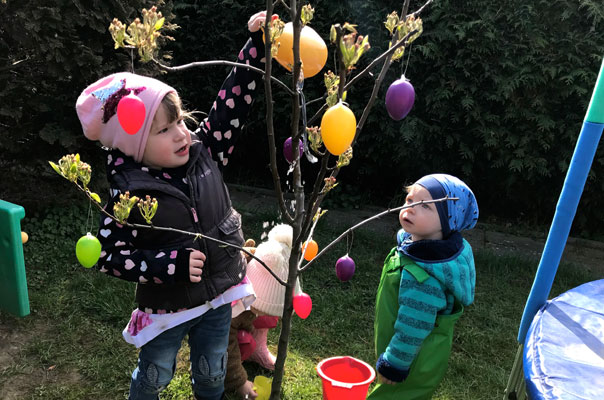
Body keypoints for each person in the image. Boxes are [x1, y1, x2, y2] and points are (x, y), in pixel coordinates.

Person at [75, 11, 270, 400]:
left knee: (212, 372)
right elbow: (109, 256)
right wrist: (167, 266)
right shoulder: (128, 193)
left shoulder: (203, 151)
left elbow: (231, 105)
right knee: (155, 374)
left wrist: (257, 47)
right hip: (168, 310)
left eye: (179, 120)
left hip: (218, 297)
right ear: (135, 147)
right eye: (163, 130)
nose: (182, 133)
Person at [367, 173, 479, 400]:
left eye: (425, 205)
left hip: (411, 359)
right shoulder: (418, 245)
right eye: (410, 200)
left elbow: (414, 325)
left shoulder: (424, 278)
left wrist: (395, 364)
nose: (411, 208)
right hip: (411, 352)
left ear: (448, 221)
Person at [225, 224, 301, 399]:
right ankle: (211, 368)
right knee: (240, 344)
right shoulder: (231, 307)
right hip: (217, 335)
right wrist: (239, 382)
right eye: (263, 307)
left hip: (246, 311)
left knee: (266, 317)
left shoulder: (257, 269)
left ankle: (257, 348)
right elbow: (224, 345)